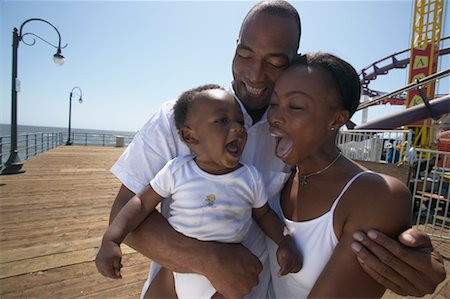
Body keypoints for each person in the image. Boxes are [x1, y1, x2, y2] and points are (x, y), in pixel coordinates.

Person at [108, 1, 446, 298]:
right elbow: (127, 210)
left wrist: (408, 250)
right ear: (235, 47)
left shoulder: (287, 141)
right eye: (245, 55)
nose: (255, 72)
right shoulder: (178, 118)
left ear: (293, 61)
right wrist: (208, 260)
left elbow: (342, 208)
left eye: (274, 62)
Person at [95, 84, 302, 298]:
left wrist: (284, 240)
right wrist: (111, 240)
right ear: (190, 137)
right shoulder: (177, 170)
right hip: (174, 273)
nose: (238, 128)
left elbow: (264, 215)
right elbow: (140, 204)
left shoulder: (249, 177)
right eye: (222, 121)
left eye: (240, 122)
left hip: (225, 284)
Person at [266, 52, 412, 298]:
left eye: (295, 106)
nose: (275, 117)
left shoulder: (377, 196)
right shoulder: (280, 178)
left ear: (337, 119)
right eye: (273, 103)